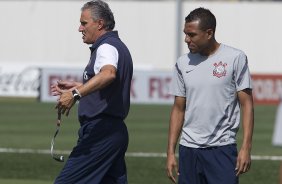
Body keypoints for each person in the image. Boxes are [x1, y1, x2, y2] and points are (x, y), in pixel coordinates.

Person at [166, 7, 254, 184]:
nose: (186, 39)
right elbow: (178, 109)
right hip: (188, 149)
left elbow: (247, 105)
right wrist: (170, 152)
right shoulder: (182, 63)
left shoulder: (235, 58)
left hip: (221, 149)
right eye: (185, 34)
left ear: (209, 33)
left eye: (192, 35)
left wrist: (246, 147)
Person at [51, 0, 133, 183]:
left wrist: (75, 94)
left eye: (84, 23)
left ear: (100, 24)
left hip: (101, 132)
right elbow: (109, 83)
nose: (80, 28)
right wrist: (78, 85)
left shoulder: (106, 46)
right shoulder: (117, 46)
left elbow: (109, 74)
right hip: (113, 132)